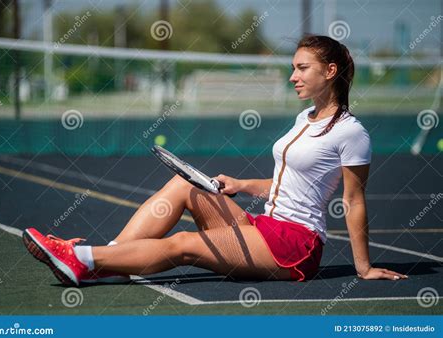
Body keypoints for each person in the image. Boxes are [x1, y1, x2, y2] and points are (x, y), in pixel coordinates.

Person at [23, 35, 407, 286]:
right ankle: (112, 258)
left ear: (331, 71)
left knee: (185, 244)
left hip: (295, 246)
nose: (293, 76)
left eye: (301, 68)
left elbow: (353, 200)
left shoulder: (351, 132)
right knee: (183, 185)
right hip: (266, 223)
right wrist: (241, 186)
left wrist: (363, 268)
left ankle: (82, 257)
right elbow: (286, 182)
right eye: (293, 67)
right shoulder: (302, 119)